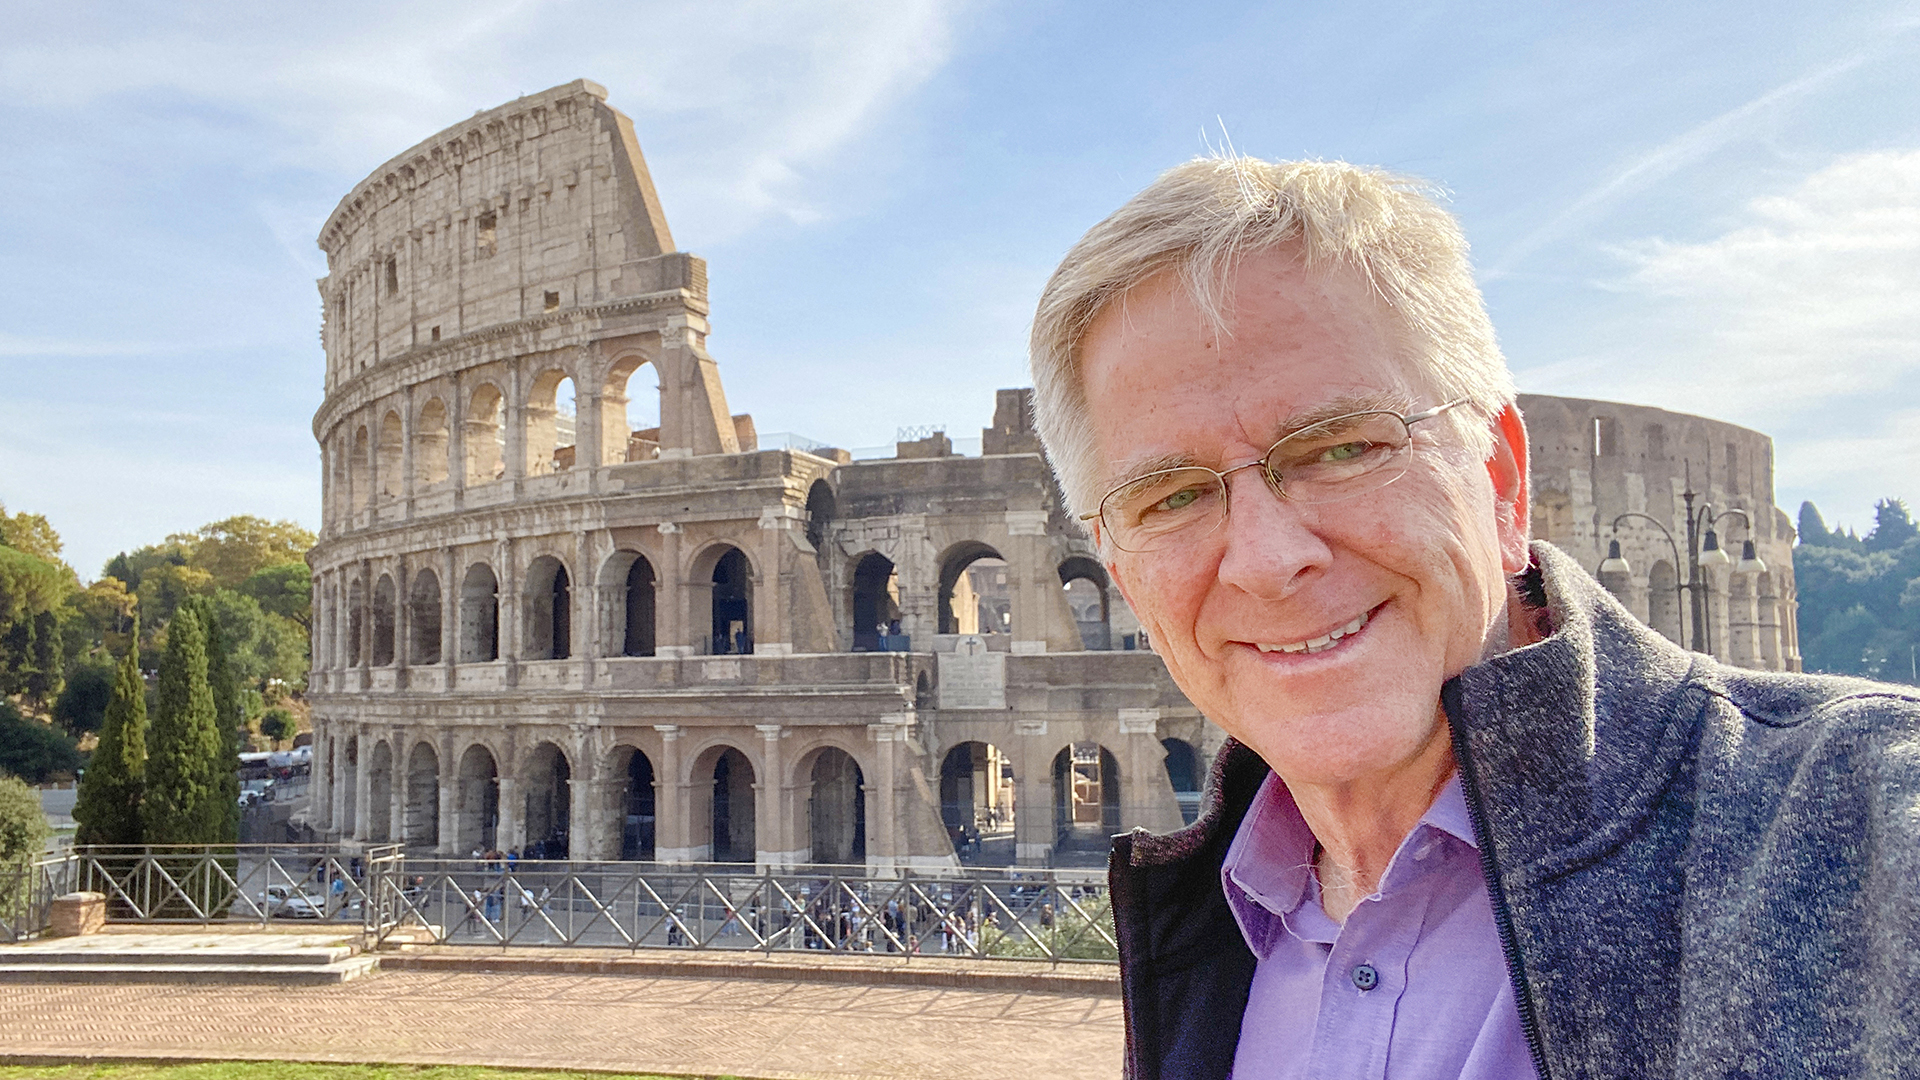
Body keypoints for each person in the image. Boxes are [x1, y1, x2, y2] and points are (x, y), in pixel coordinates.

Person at [1026, 156, 1920, 1079]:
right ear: (1123, 577)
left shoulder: (1858, 828)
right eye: (1168, 498)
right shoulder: (1202, 931)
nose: (1266, 559)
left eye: (1342, 446)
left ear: (1500, 482)